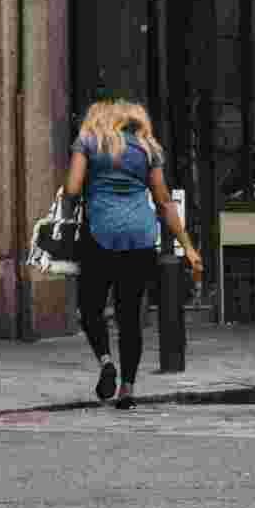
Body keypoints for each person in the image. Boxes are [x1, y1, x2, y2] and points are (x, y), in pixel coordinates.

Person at [60, 97, 202, 410]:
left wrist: (75, 206)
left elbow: (72, 188)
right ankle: (127, 391)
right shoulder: (148, 148)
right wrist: (188, 245)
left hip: (101, 234)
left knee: (90, 307)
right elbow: (164, 202)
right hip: (140, 237)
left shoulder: (89, 141)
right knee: (130, 317)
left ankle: (106, 361)